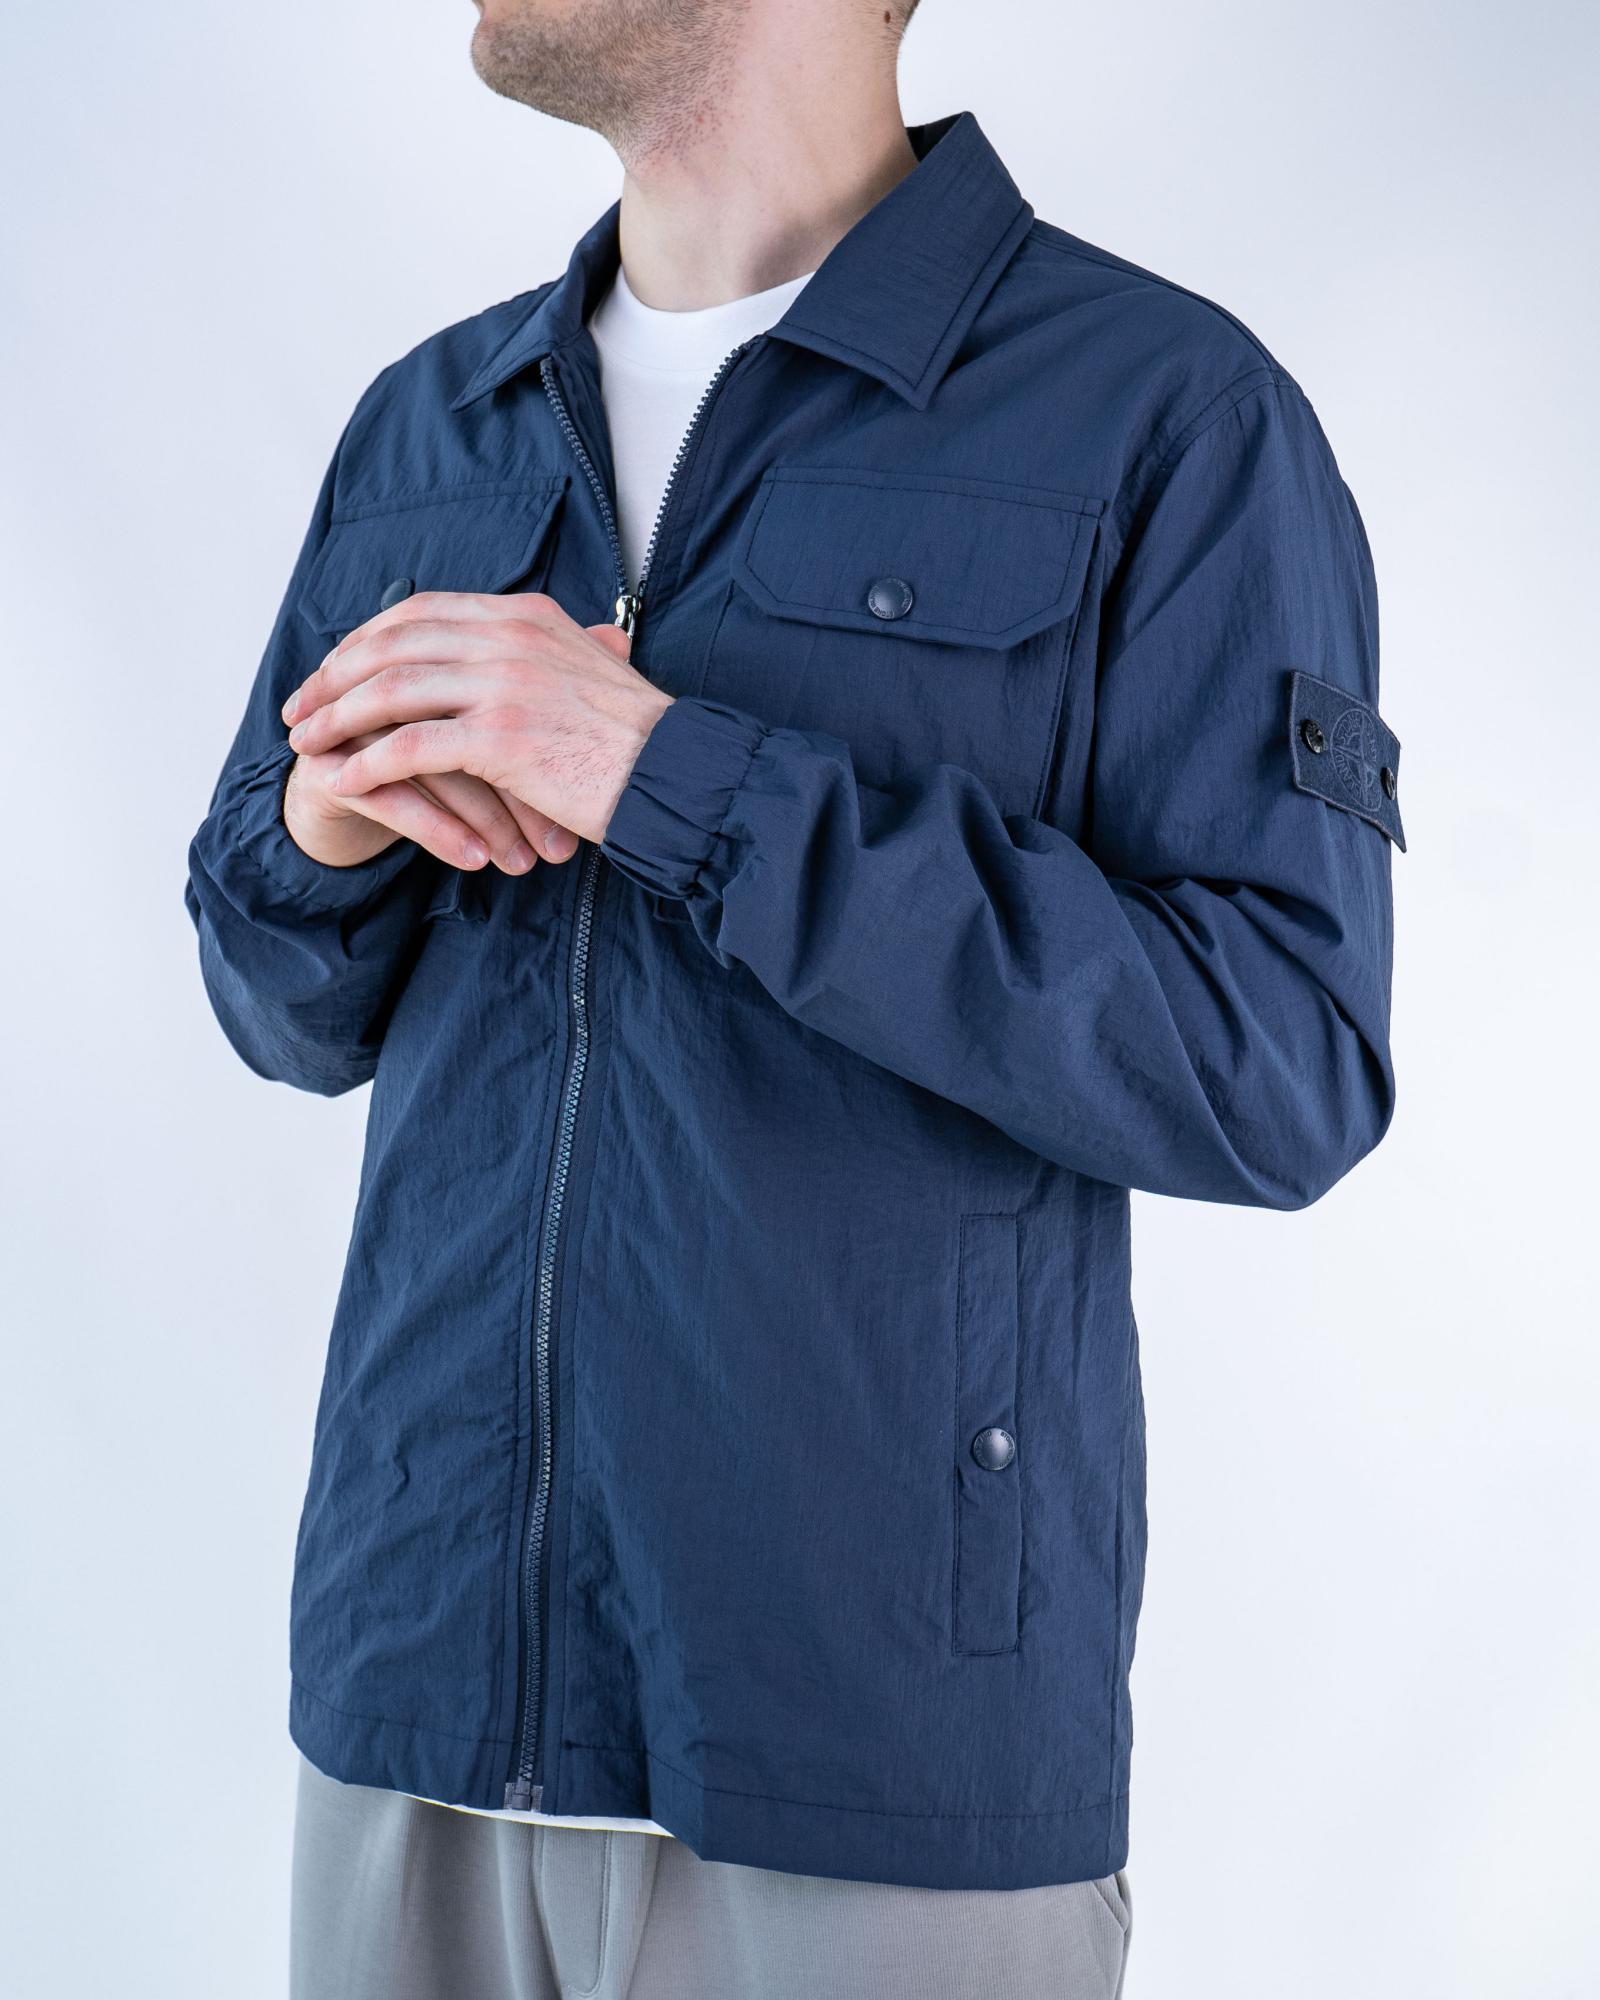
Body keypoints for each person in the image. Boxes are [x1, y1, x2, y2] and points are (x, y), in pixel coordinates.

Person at [183, 0, 1406, 1993]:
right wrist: (322, 829)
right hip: (412, 1730)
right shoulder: (434, 423)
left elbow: (1280, 1063)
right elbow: (276, 1005)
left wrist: (674, 779)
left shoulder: (1164, 414)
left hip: (870, 1779)